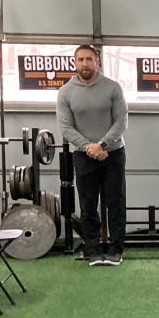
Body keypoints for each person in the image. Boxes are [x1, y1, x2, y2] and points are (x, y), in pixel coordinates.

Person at [57, 44, 128, 266]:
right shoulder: (66, 92)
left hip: (113, 154)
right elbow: (66, 128)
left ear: (97, 61)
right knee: (88, 205)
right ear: (75, 63)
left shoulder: (112, 88)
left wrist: (103, 145)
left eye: (89, 59)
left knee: (114, 203)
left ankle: (116, 250)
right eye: (80, 60)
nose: (85, 64)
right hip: (84, 156)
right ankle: (93, 250)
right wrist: (90, 147)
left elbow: (121, 121)